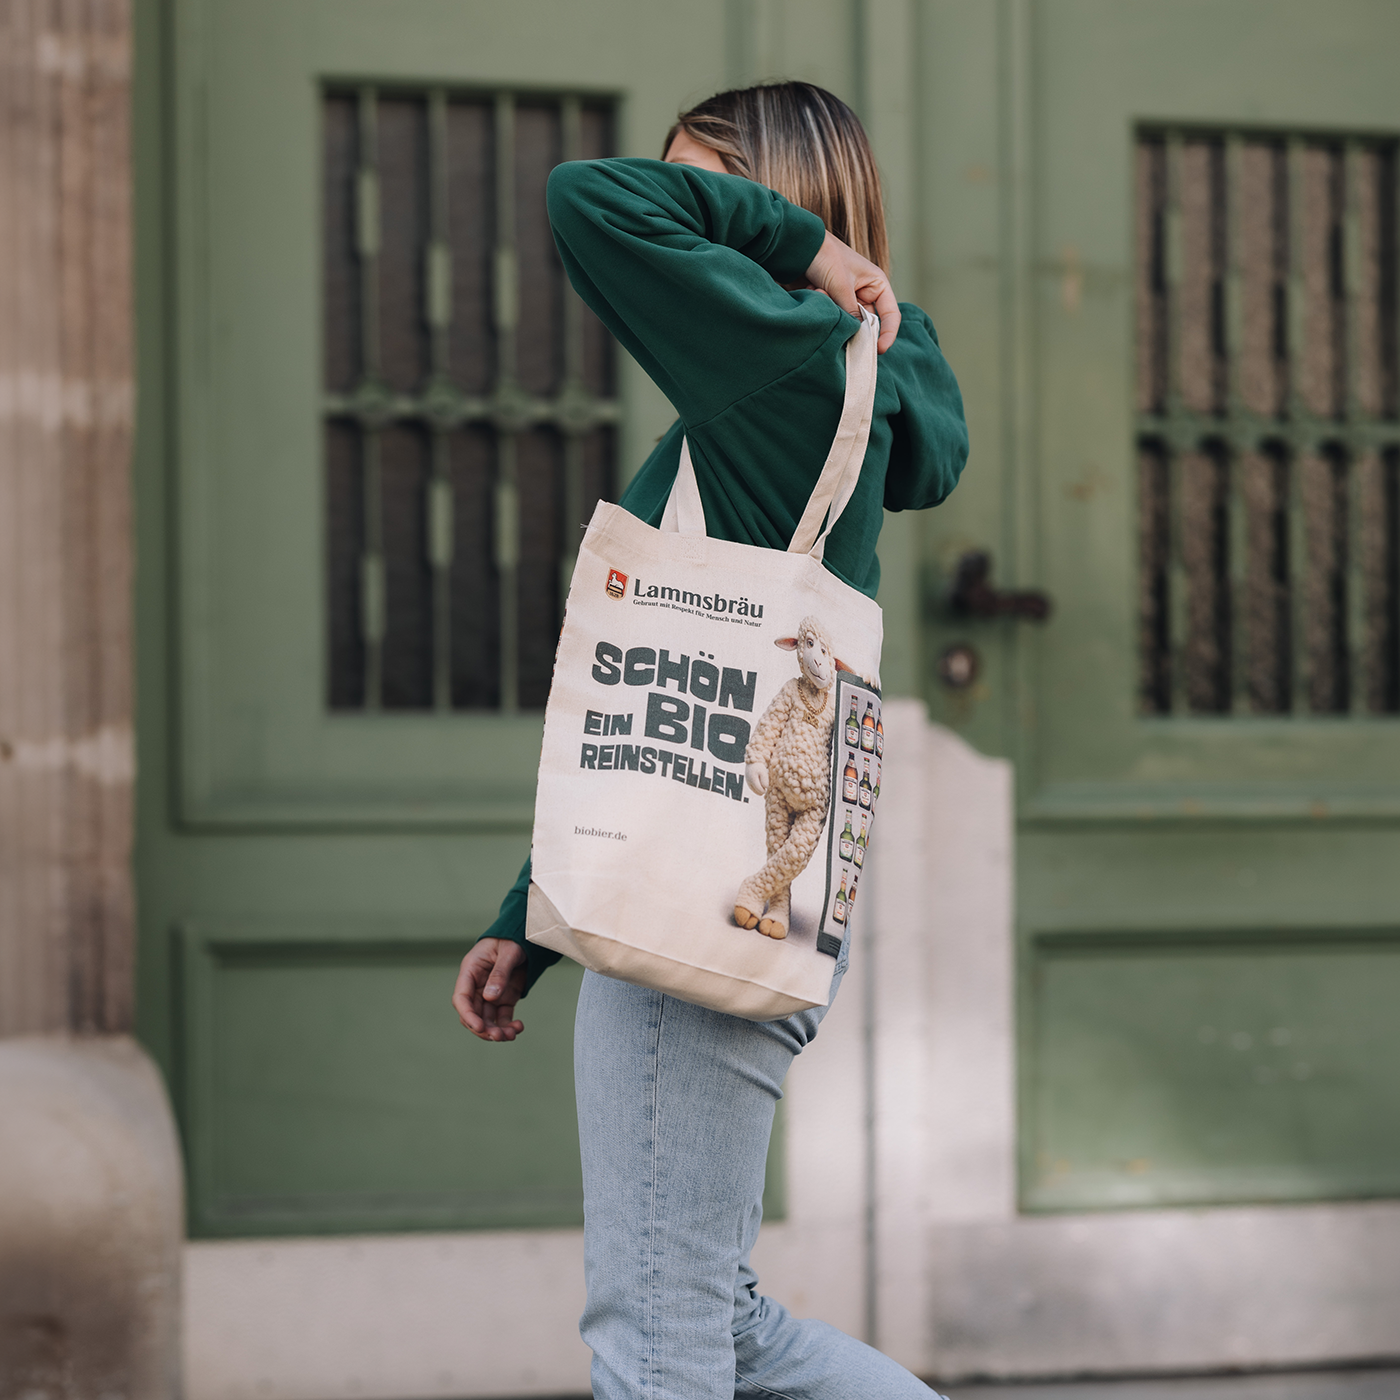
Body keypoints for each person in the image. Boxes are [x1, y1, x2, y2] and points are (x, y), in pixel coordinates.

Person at [452, 81, 968, 1400]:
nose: (683, 231)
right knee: (715, 1315)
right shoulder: (824, 380)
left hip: (705, 903)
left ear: (790, 209)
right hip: (745, 882)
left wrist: (796, 250)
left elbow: (587, 198)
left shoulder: (783, 361)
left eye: (713, 196)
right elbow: (659, 708)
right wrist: (537, 909)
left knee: (658, 1330)